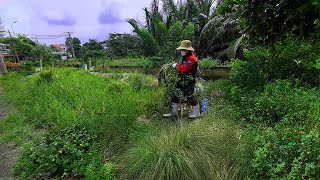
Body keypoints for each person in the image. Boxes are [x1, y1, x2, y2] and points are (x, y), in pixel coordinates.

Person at [163, 40, 201, 119]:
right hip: (182, 79)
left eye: (182, 49)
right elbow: (181, 66)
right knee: (176, 93)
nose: (181, 51)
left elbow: (184, 69)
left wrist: (176, 65)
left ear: (187, 50)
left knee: (189, 95)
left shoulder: (192, 59)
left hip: (190, 79)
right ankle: (174, 112)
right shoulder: (185, 57)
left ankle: (197, 113)